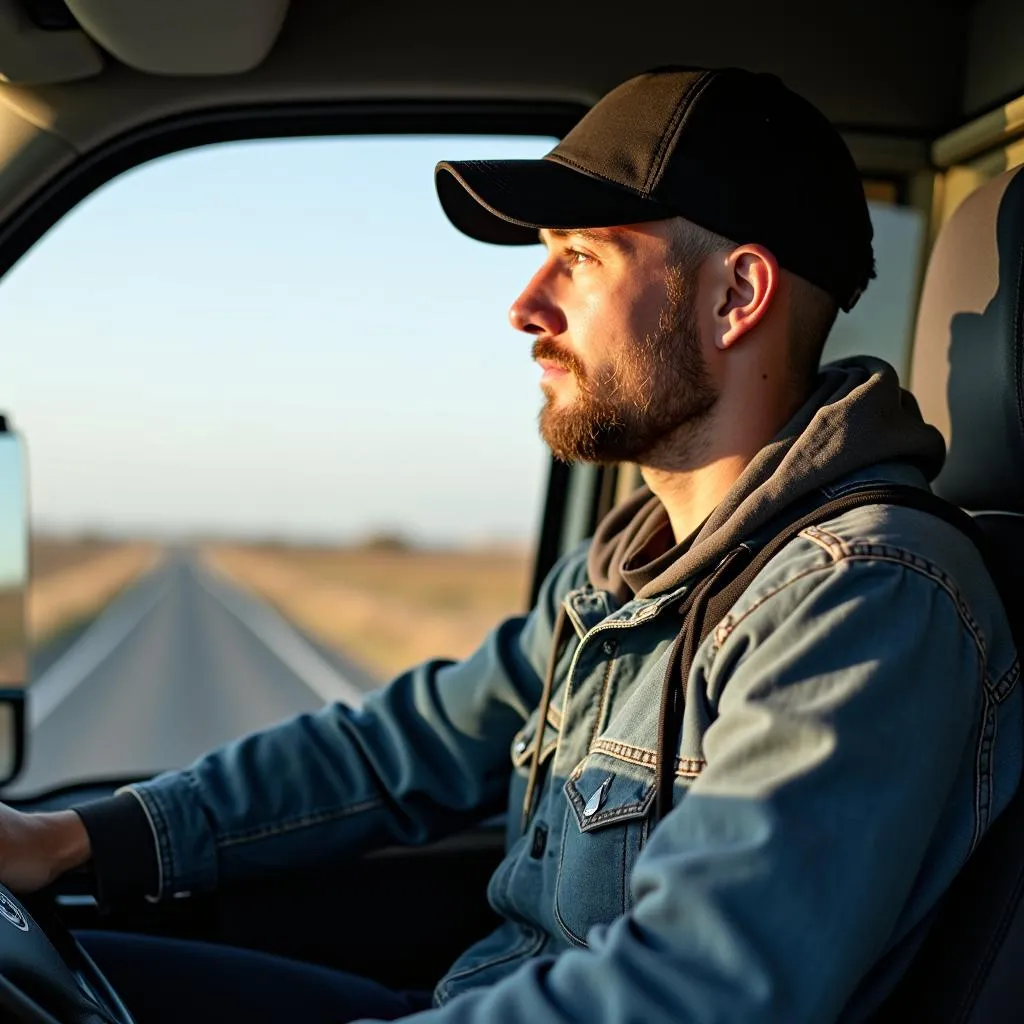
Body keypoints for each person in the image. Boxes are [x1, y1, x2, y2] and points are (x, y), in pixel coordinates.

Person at [1, 66, 1020, 1024]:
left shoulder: (868, 598)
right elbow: (401, 746)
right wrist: (75, 837)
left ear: (734, 297)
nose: (526, 306)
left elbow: (690, 991)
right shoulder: (632, 569)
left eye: (579, 259)